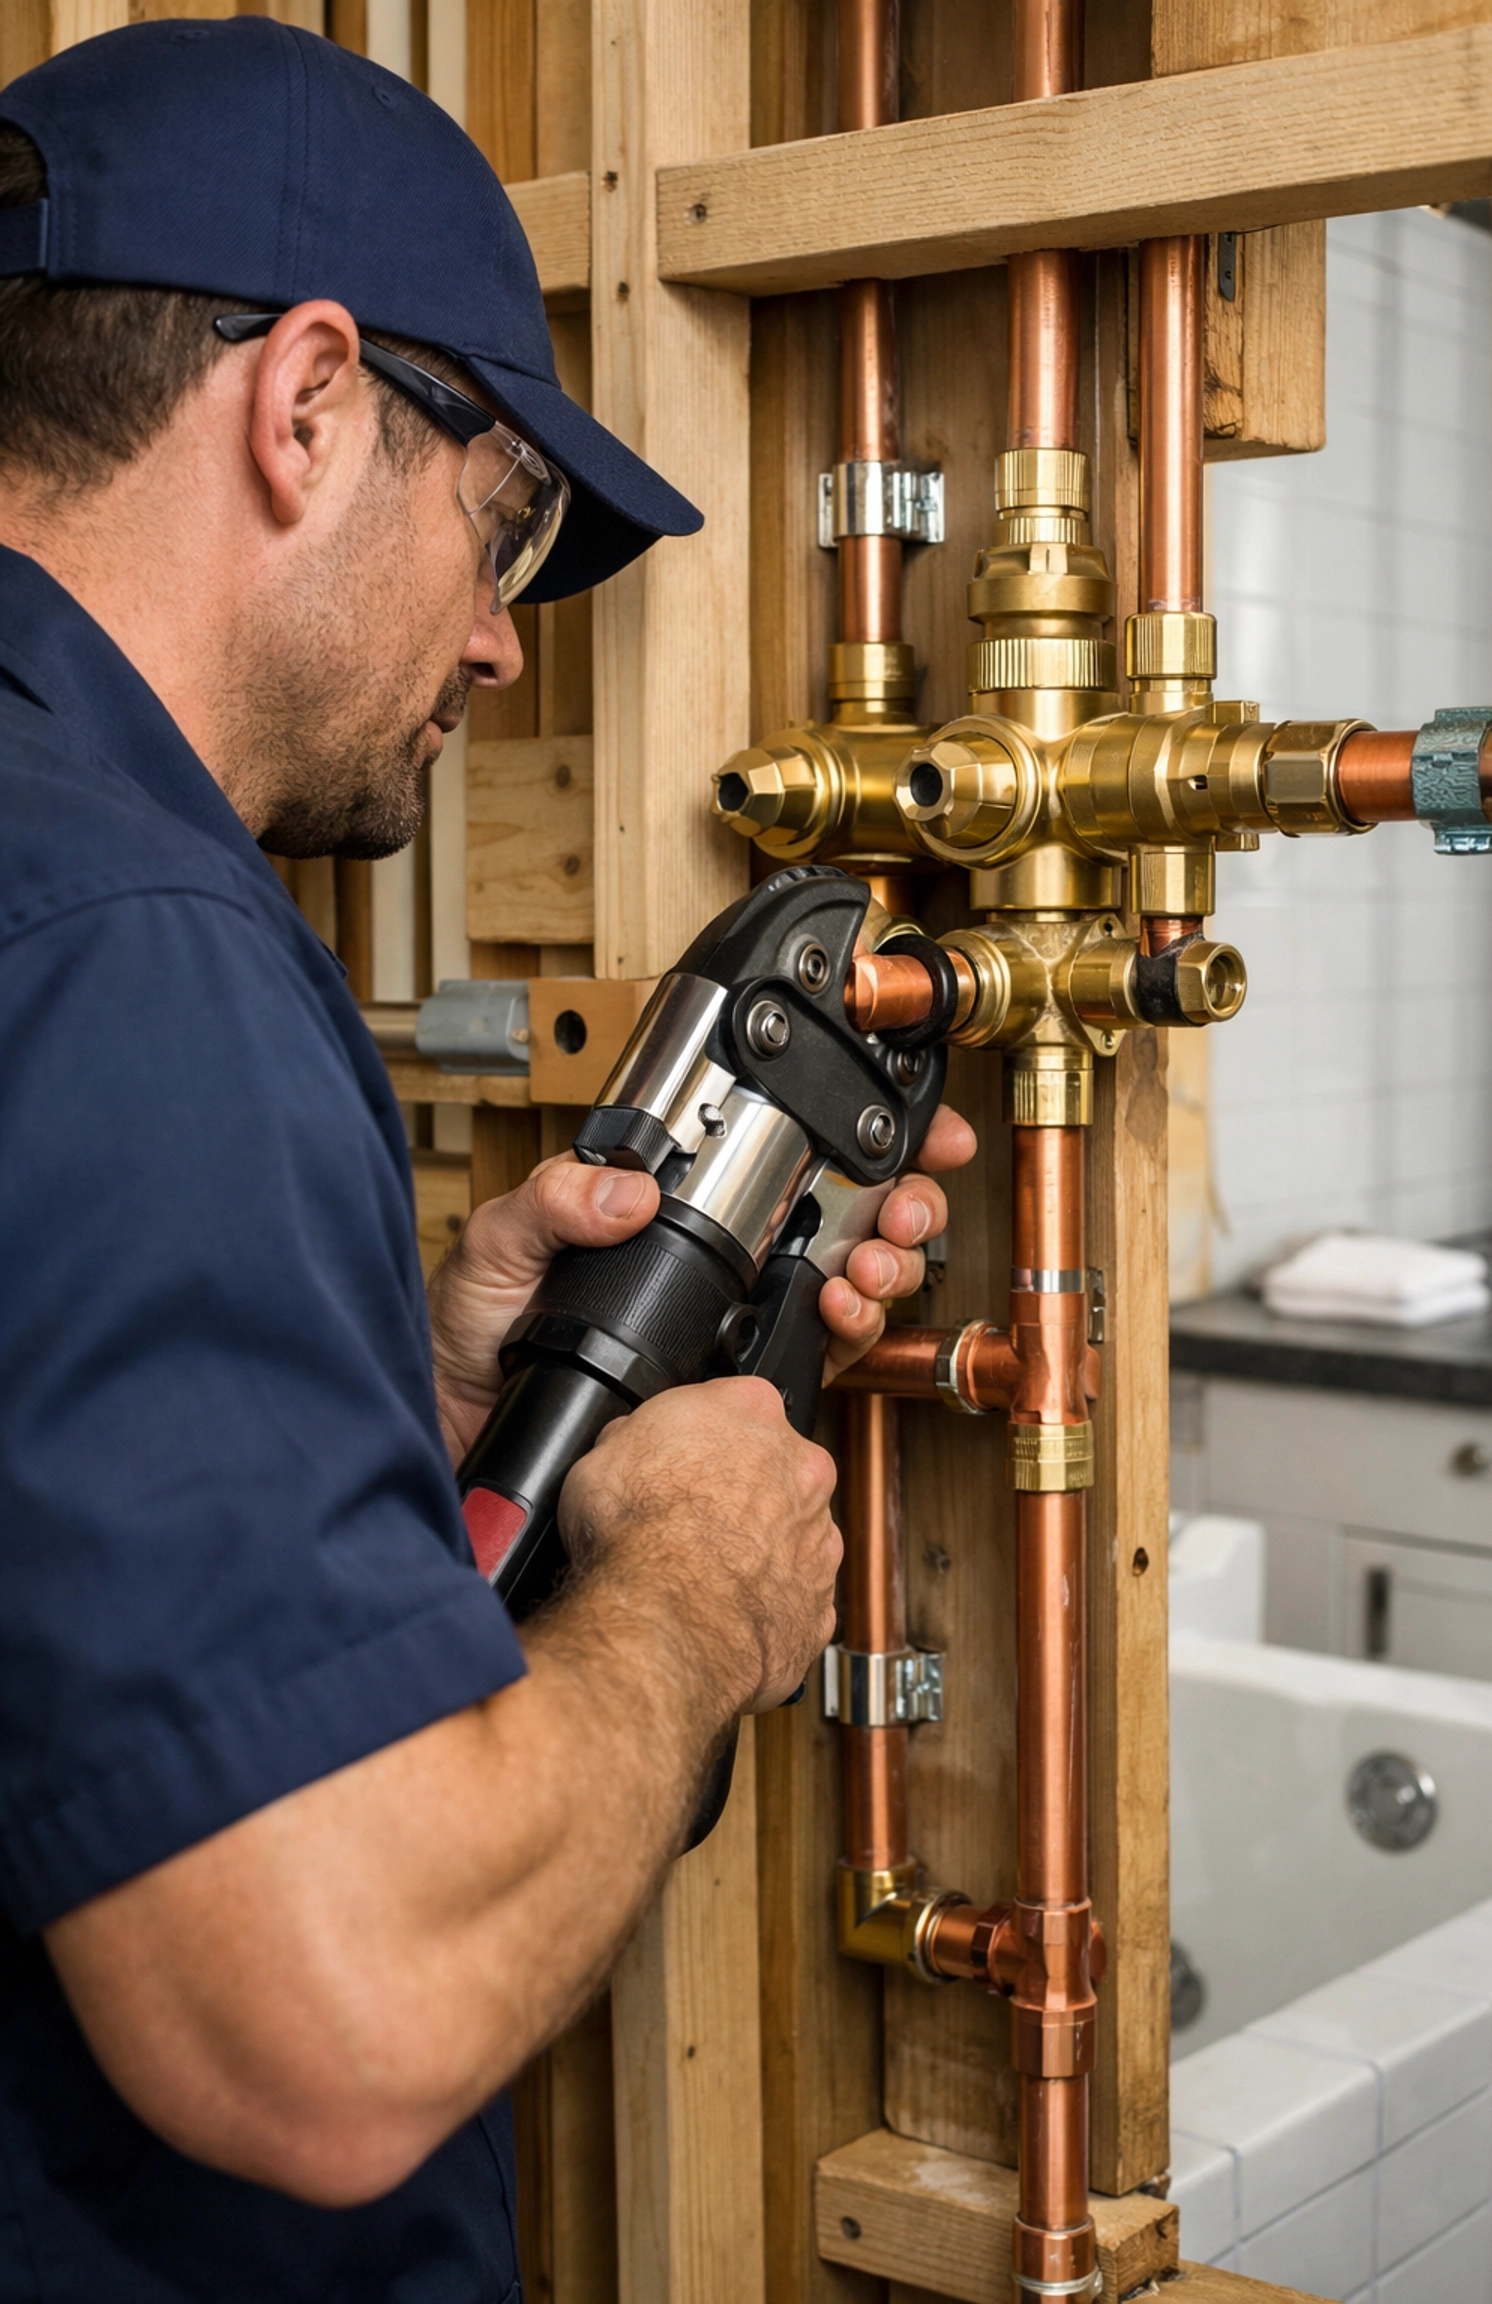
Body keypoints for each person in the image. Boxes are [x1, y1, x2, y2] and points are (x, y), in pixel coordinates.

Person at [0, 19, 973, 2303]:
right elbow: (324, 2032)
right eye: (506, 518)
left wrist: (397, 1418)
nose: (499, 641)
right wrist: (690, 1594)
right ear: (306, 398)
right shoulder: (132, 945)